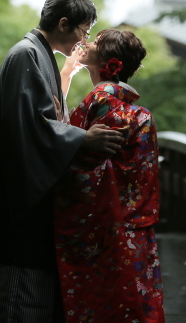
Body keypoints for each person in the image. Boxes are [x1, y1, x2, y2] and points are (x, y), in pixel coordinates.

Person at [0, 0, 125, 323]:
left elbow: (41, 113)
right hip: (14, 207)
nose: (83, 39)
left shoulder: (38, 55)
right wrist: (83, 138)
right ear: (63, 24)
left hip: (16, 201)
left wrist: (63, 79)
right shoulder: (26, 55)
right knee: (11, 302)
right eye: (83, 31)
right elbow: (30, 126)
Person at [54, 29, 165, 323]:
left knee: (105, 304)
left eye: (94, 43)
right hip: (134, 224)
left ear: (106, 61)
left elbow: (64, 144)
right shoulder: (140, 114)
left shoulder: (102, 101)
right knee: (135, 303)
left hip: (107, 227)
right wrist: (66, 73)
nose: (85, 44)